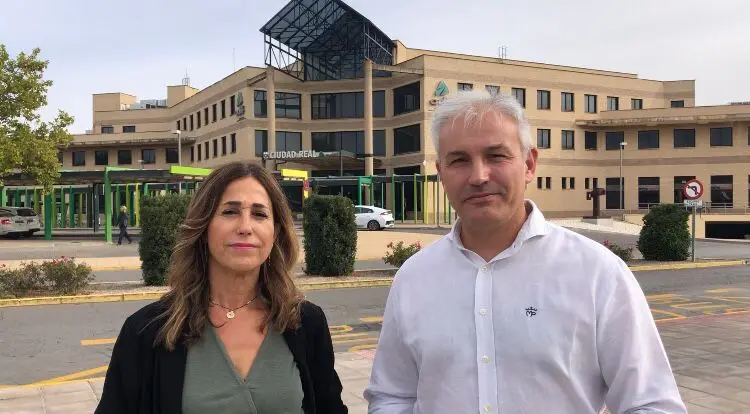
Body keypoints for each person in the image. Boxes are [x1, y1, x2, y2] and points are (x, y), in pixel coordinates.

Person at [364, 90, 686, 413]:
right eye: (459, 160)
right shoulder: (414, 279)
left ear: (529, 164)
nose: (478, 176)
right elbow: (392, 397)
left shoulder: (597, 274)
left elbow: (652, 404)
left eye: (496, 156)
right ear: (441, 173)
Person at [96, 162, 348, 414]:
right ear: (203, 226)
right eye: (230, 212)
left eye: (259, 214)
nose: (245, 227)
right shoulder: (147, 331)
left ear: (276, 233)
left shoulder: (306, 323)